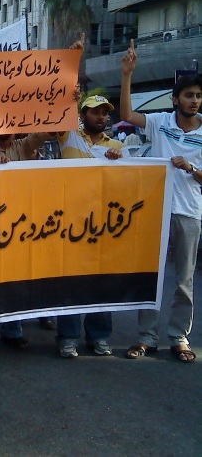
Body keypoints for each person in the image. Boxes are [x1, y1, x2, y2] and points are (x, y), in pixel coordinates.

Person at [121, 39, 202, 363]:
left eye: (198, 96)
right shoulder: (160, 123)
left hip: (189, 213)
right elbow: (127, 114)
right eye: (189, 95)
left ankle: (179, 337)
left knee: (184, 281)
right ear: (175, 99)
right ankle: (146, 337)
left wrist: (191, 168)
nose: (194, 101)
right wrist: (127, 74)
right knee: (151, 277)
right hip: (155, 210)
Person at [0, 86, 53, 347]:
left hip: (25, 218)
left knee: (25, 271)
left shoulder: (24, 145)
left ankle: (23, 322)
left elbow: (46, 132)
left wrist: (64, 99)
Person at [55, 95, 124, 358]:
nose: (101, 117)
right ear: (82, 115)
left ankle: (99, 336)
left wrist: (118, 161)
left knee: (100, 281)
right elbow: (60, 115)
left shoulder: (118, 146)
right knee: (71, 281)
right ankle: (68, 337)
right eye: (94, 112)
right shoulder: (69, 137)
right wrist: (71, 96)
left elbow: (126, 183)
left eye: (104, 113)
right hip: (70, 222)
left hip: (104, 224)